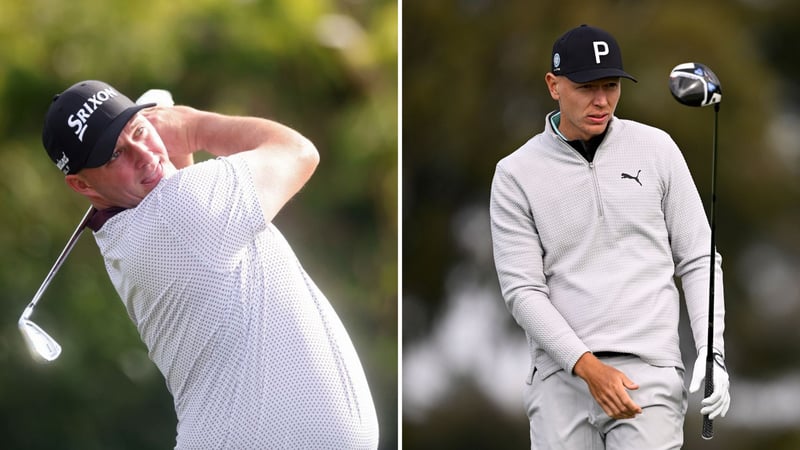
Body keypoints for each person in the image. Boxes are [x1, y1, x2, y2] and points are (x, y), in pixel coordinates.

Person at [41, 80, 379, 449]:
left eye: (139, 129)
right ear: (82, 185)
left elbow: (202, 235)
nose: (143, 153)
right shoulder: (178, 212)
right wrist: (192, 128)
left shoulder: (129, 234)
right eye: (114, 155)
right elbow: (298, 152)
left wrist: (170, 153)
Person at [489, 25, 730, 449]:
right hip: (559, 379)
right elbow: (522, 290)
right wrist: (586, 367)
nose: (602, 101)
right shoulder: (515, 174)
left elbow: (698, 259)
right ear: (554, 85)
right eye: (587, 87)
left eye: (611, 86)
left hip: (648, 373)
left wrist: (713, 352)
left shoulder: (657, 149)